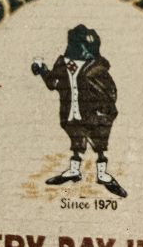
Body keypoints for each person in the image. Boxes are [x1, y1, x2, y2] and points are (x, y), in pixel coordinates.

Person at [32, 24, 126, 197]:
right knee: (76, 141)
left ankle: (102, 174)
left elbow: (111, 92)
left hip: (95, 116)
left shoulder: (96, 69)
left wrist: (103, 112)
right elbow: (53, 83)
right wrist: (42, 71)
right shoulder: (63, 65)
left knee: (99, 144)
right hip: (72, 112)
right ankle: (74, 171)